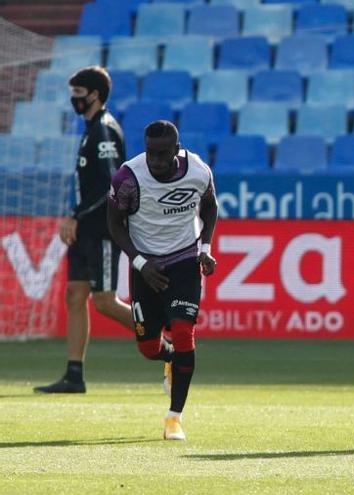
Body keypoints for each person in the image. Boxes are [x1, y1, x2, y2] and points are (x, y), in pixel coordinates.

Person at [107, 120, 217, 440]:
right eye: (150, 152)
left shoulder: (198, 171)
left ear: (176, 150)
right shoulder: (128, 177)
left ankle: (174, 418)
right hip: (146, 266)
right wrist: (140, 263)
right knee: (148, 348)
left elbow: (210, 207)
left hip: (184, 260)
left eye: (162, 154)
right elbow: (114, 224)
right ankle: (169, 359)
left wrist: (205, 248)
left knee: (183, 331)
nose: (155, 160)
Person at [35, 66, 133, 394]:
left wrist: (76, 216)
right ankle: (74, 374)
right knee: (75, 295)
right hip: (84, 229)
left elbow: (111, 184)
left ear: (94, 95)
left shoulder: (104, 130)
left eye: (78, 94)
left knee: (105, 301)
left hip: (102, 227)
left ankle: (164, 346)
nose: (73, 100)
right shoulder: (91, 129)